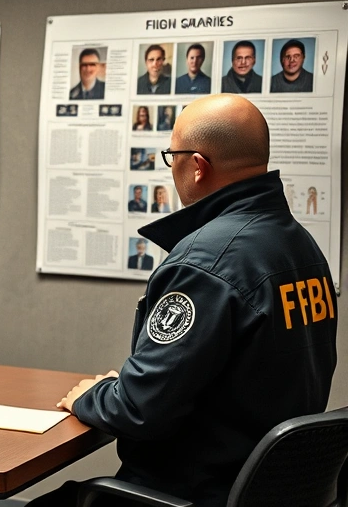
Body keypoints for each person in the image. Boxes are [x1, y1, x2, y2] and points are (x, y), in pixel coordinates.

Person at [46, 94, 337, 507]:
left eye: (172, 156)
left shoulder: (205, 263)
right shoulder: (301, 248)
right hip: (266, 491)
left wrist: (90, 395)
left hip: (185, 495)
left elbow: (137, 410)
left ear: (198, 166)